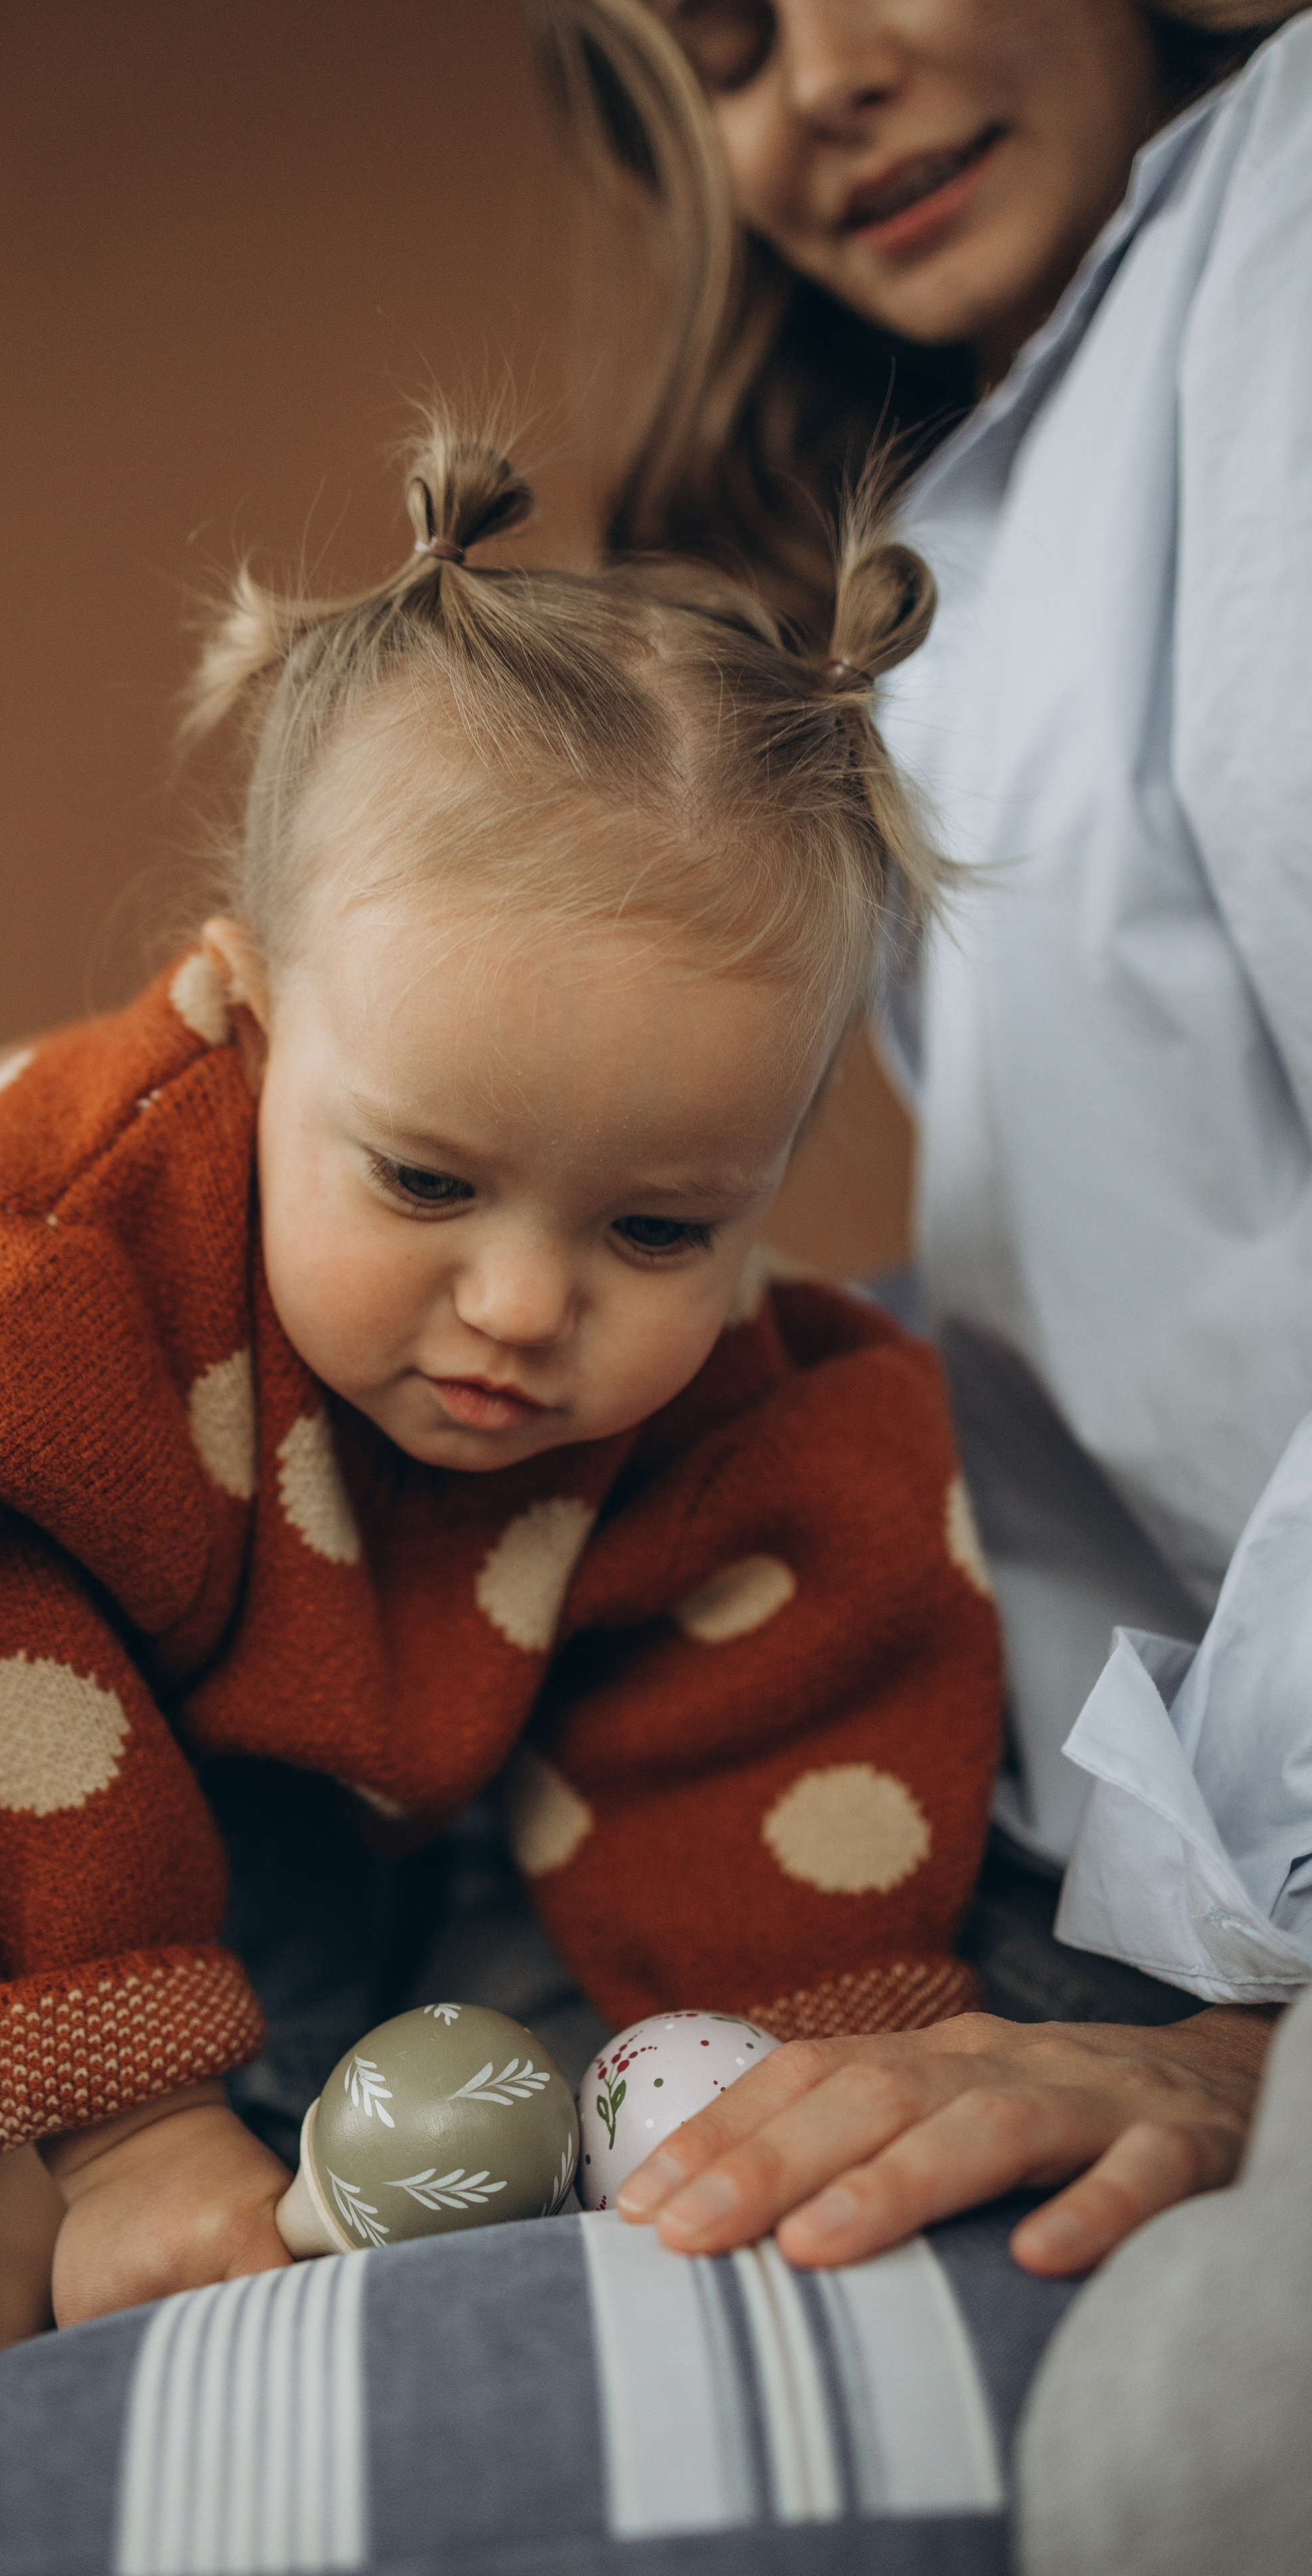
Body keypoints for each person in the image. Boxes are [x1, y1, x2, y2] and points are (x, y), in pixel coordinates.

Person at [0, 411, 1009, 2499]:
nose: (522, 1306)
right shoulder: (70, 1257)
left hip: (210, 1667)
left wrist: (813, 2038)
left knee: (305, 1976)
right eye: (425, 1181)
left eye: (657, 1229)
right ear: (250, 1020)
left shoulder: (745, 1400)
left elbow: (791, 1677)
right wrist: (132, 2130)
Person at [524, 0, 1307, 2286]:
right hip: (1057, 1795)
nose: (821, 90)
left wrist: (1246, 2050)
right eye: (722, 52)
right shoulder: (937, 527)